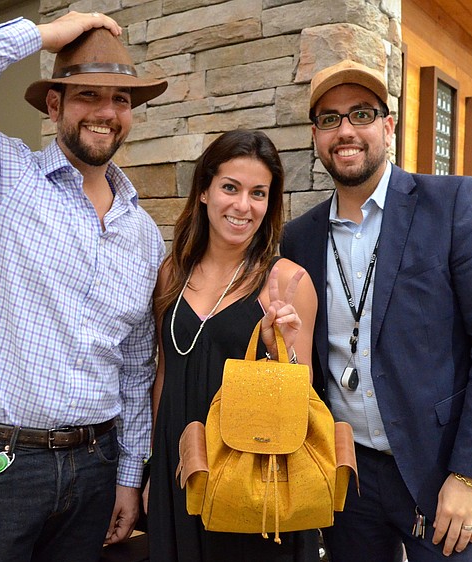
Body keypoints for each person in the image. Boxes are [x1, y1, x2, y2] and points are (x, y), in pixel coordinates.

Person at [0, 12, 168, 561]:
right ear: (54, 106)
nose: (105, 112)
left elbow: (138, 364)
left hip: (97, 465)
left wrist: (127, 472)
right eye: (87, 95)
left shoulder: (142, 234)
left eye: (120, 99)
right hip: (0, 465)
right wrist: (45, 33)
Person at [280, 59, 472, 561]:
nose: (345, 130)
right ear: (315, 135)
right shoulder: (299, 237)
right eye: (329, 119)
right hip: (348, 476)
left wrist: (471, 475)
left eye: (361, 114)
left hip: (444, 470)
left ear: (388, 126)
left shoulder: (451, 203)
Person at [147, 129, 320, 561]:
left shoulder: (287, 281)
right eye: (230, 187)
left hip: (249, 476)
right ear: (204, 191)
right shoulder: (172, 272)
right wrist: (153, 467)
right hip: (179, 470)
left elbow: (302, 397)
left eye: (258, 193)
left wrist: (283, 348)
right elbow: (164, 374)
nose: (244, 206)